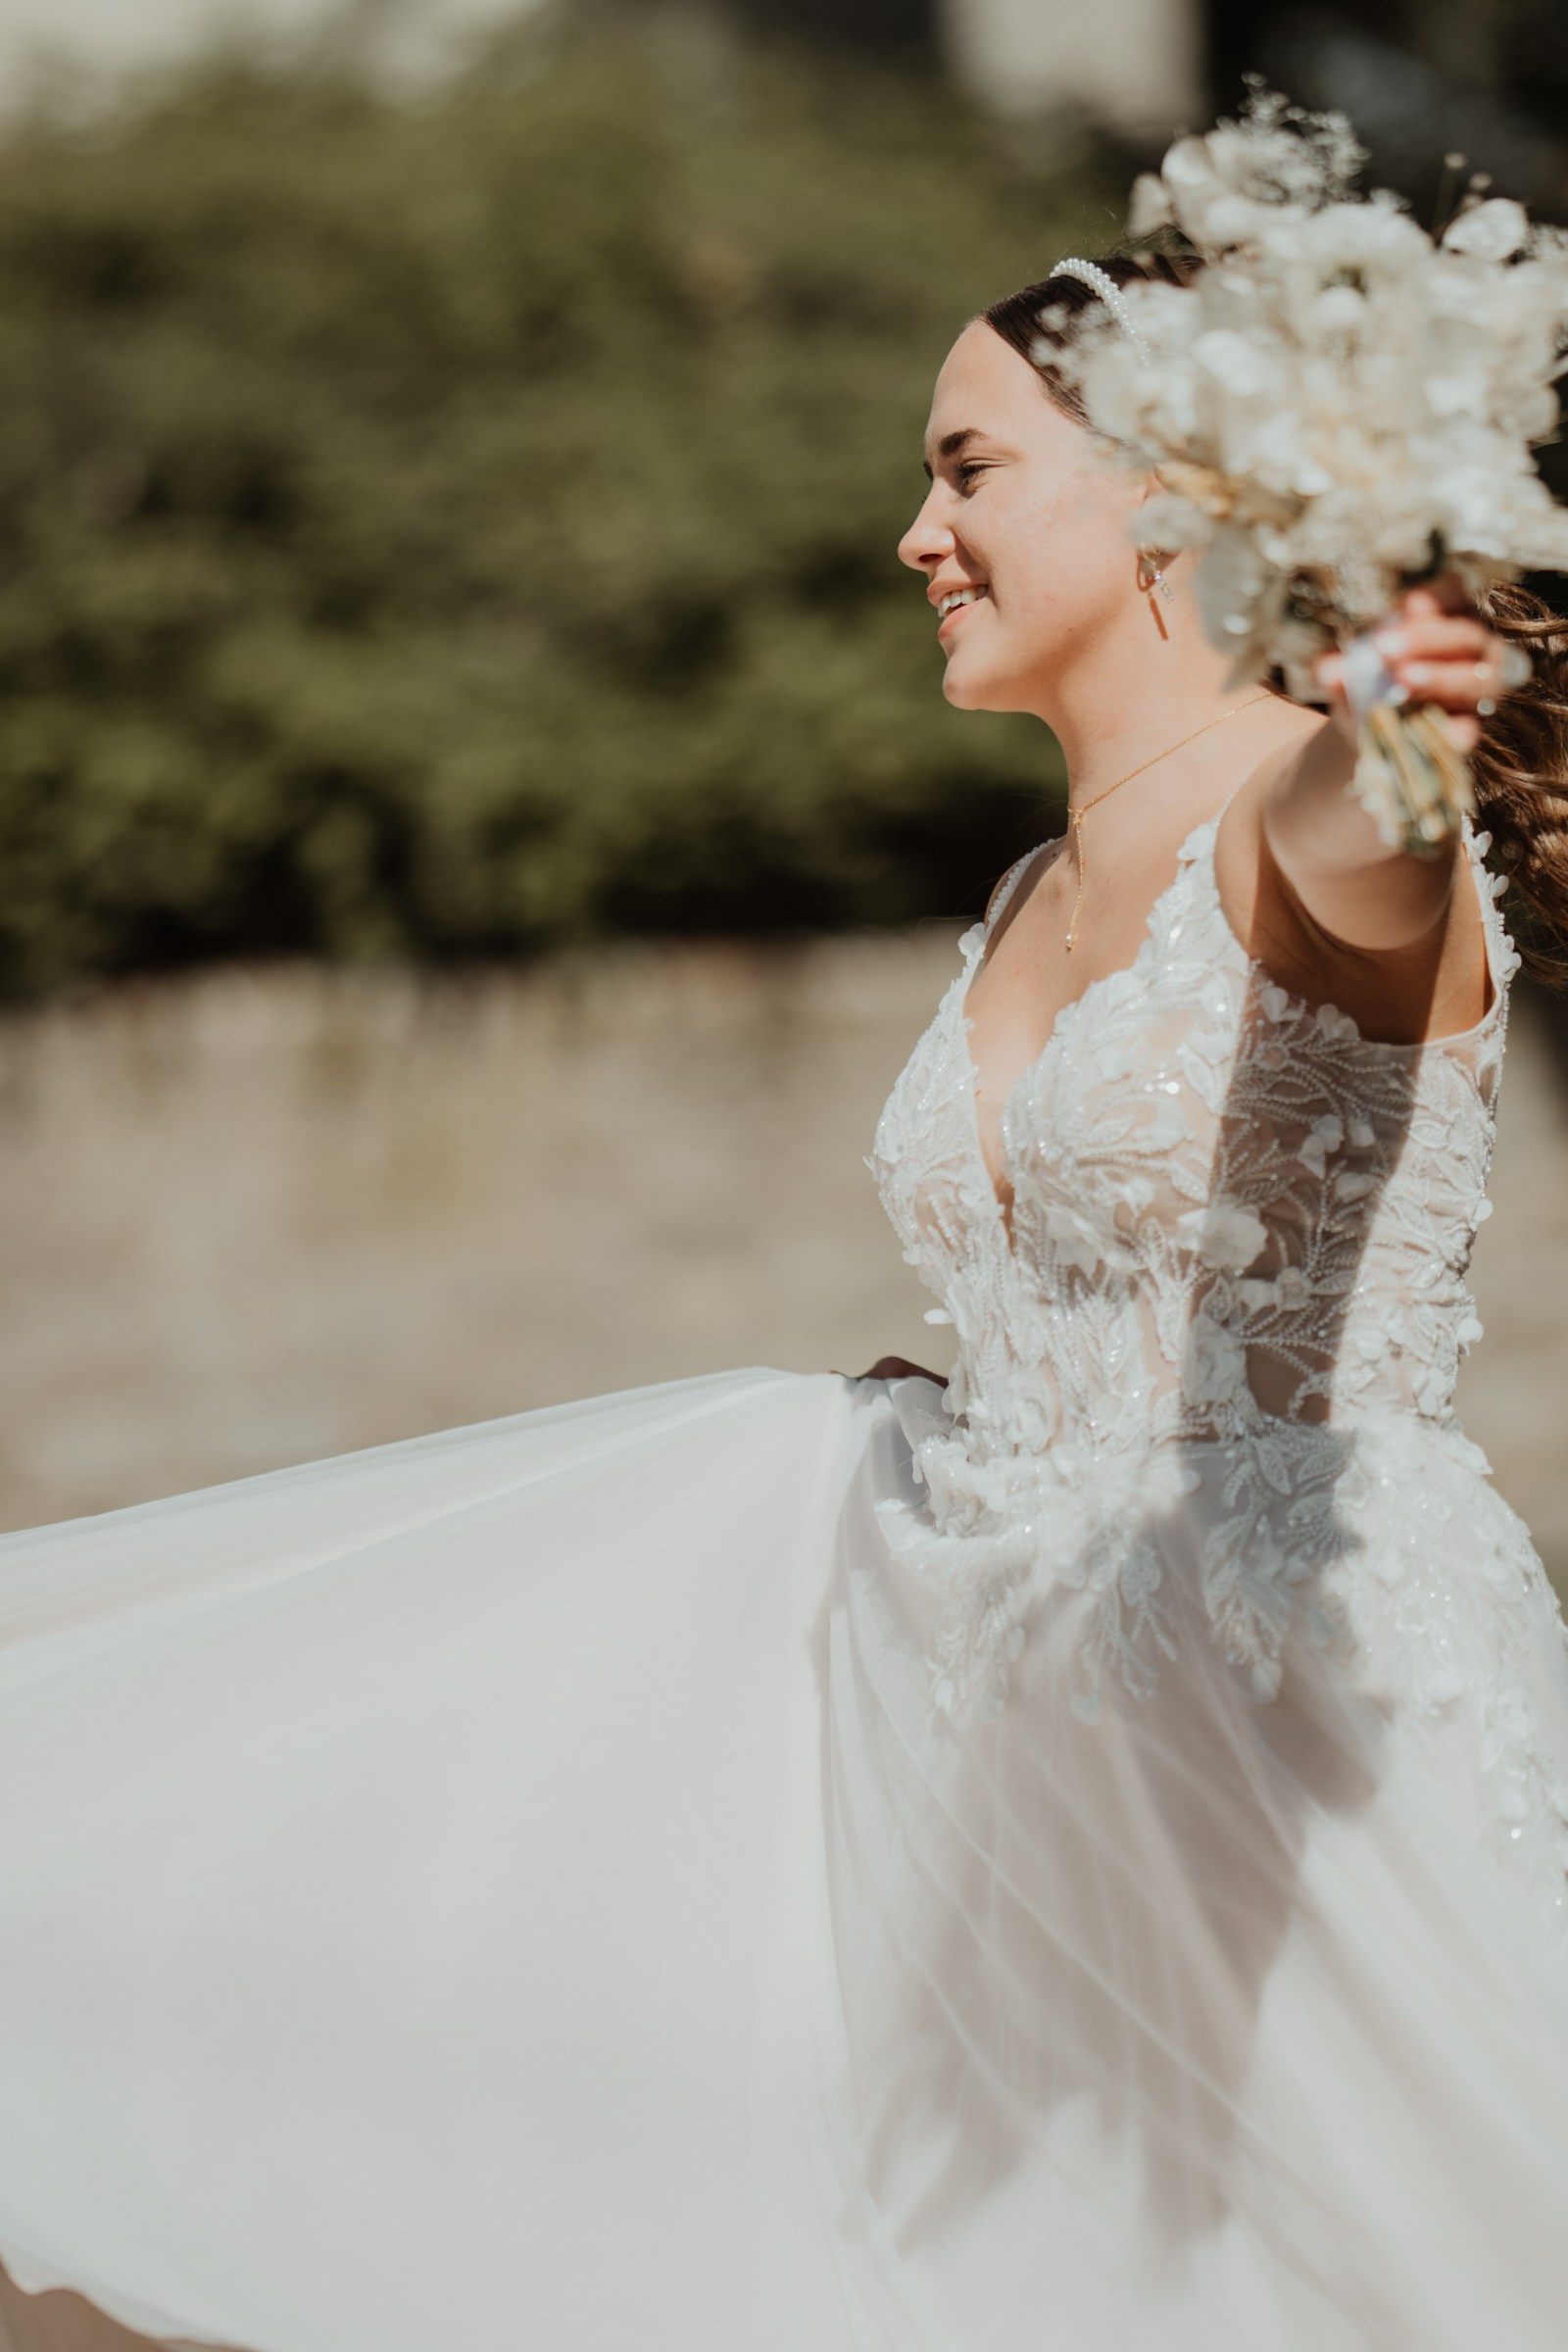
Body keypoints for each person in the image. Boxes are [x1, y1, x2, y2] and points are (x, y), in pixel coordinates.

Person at [1, 252, 1566, 2352]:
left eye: (967, 469)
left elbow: (1366, 825)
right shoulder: (1021, 893)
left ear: (1175, 489)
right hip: (985, 1745)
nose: (916, 534)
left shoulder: (1312, 819)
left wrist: (1387, 697)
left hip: (1290, 1721)